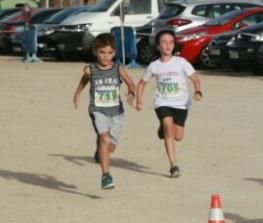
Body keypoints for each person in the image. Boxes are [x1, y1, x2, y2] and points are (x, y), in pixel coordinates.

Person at [72, 33, 137, 190]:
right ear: (95, 51)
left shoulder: (118, 68)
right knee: (104, 138)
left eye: (109, 53)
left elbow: (130, 84)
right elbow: (84, 80)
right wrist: (77, 94)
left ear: (114, 53)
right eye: (102, 52)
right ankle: (106, 176)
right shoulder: (90, 70)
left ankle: (99, 150)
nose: (106, 56)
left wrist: (131, 93)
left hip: (116, 112)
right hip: (98, 110)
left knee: (110, 147)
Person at [134, 30, 203, 177]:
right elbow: (141, 83)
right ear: (158, 46)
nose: (168, 45)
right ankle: (173, 166)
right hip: (162, 102)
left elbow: (195, 79)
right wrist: (139, 100)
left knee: (178, 136)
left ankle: (163, 128)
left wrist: (197, 91)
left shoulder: (181, 63)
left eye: (171, 42)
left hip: (181, 104)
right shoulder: (154, 66)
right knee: (169, 129)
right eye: (164, 42)